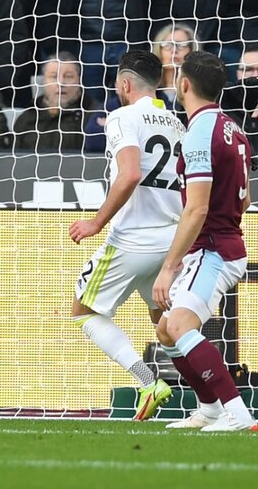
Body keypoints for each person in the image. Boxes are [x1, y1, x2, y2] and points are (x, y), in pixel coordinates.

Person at [68, 51, 184, 421]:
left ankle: (148, 381)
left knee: (83, 311)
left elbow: (130, 174)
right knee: (167, 323)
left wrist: (96, 223)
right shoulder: (175, 122)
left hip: (133, 238)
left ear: (125, 84)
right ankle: (212, 398)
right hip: (172, 238)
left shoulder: (121, 116)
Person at [152, 51, 258, 432]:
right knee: (166, 329)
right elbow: (244, 199)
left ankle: (239, 414)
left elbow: (195, 210)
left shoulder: (199, 131)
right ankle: (209, 407)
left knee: (178, 325)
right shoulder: (233, 128)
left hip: (213, 247)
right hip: (222, 241)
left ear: (183, 85)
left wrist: (169, 266)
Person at [13, 55, 98, 153]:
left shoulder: (94, 115)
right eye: (54, 77)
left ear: (78, 80)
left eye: (68, 76)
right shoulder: (28, 117)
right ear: (44, 81)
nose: (61, 83)